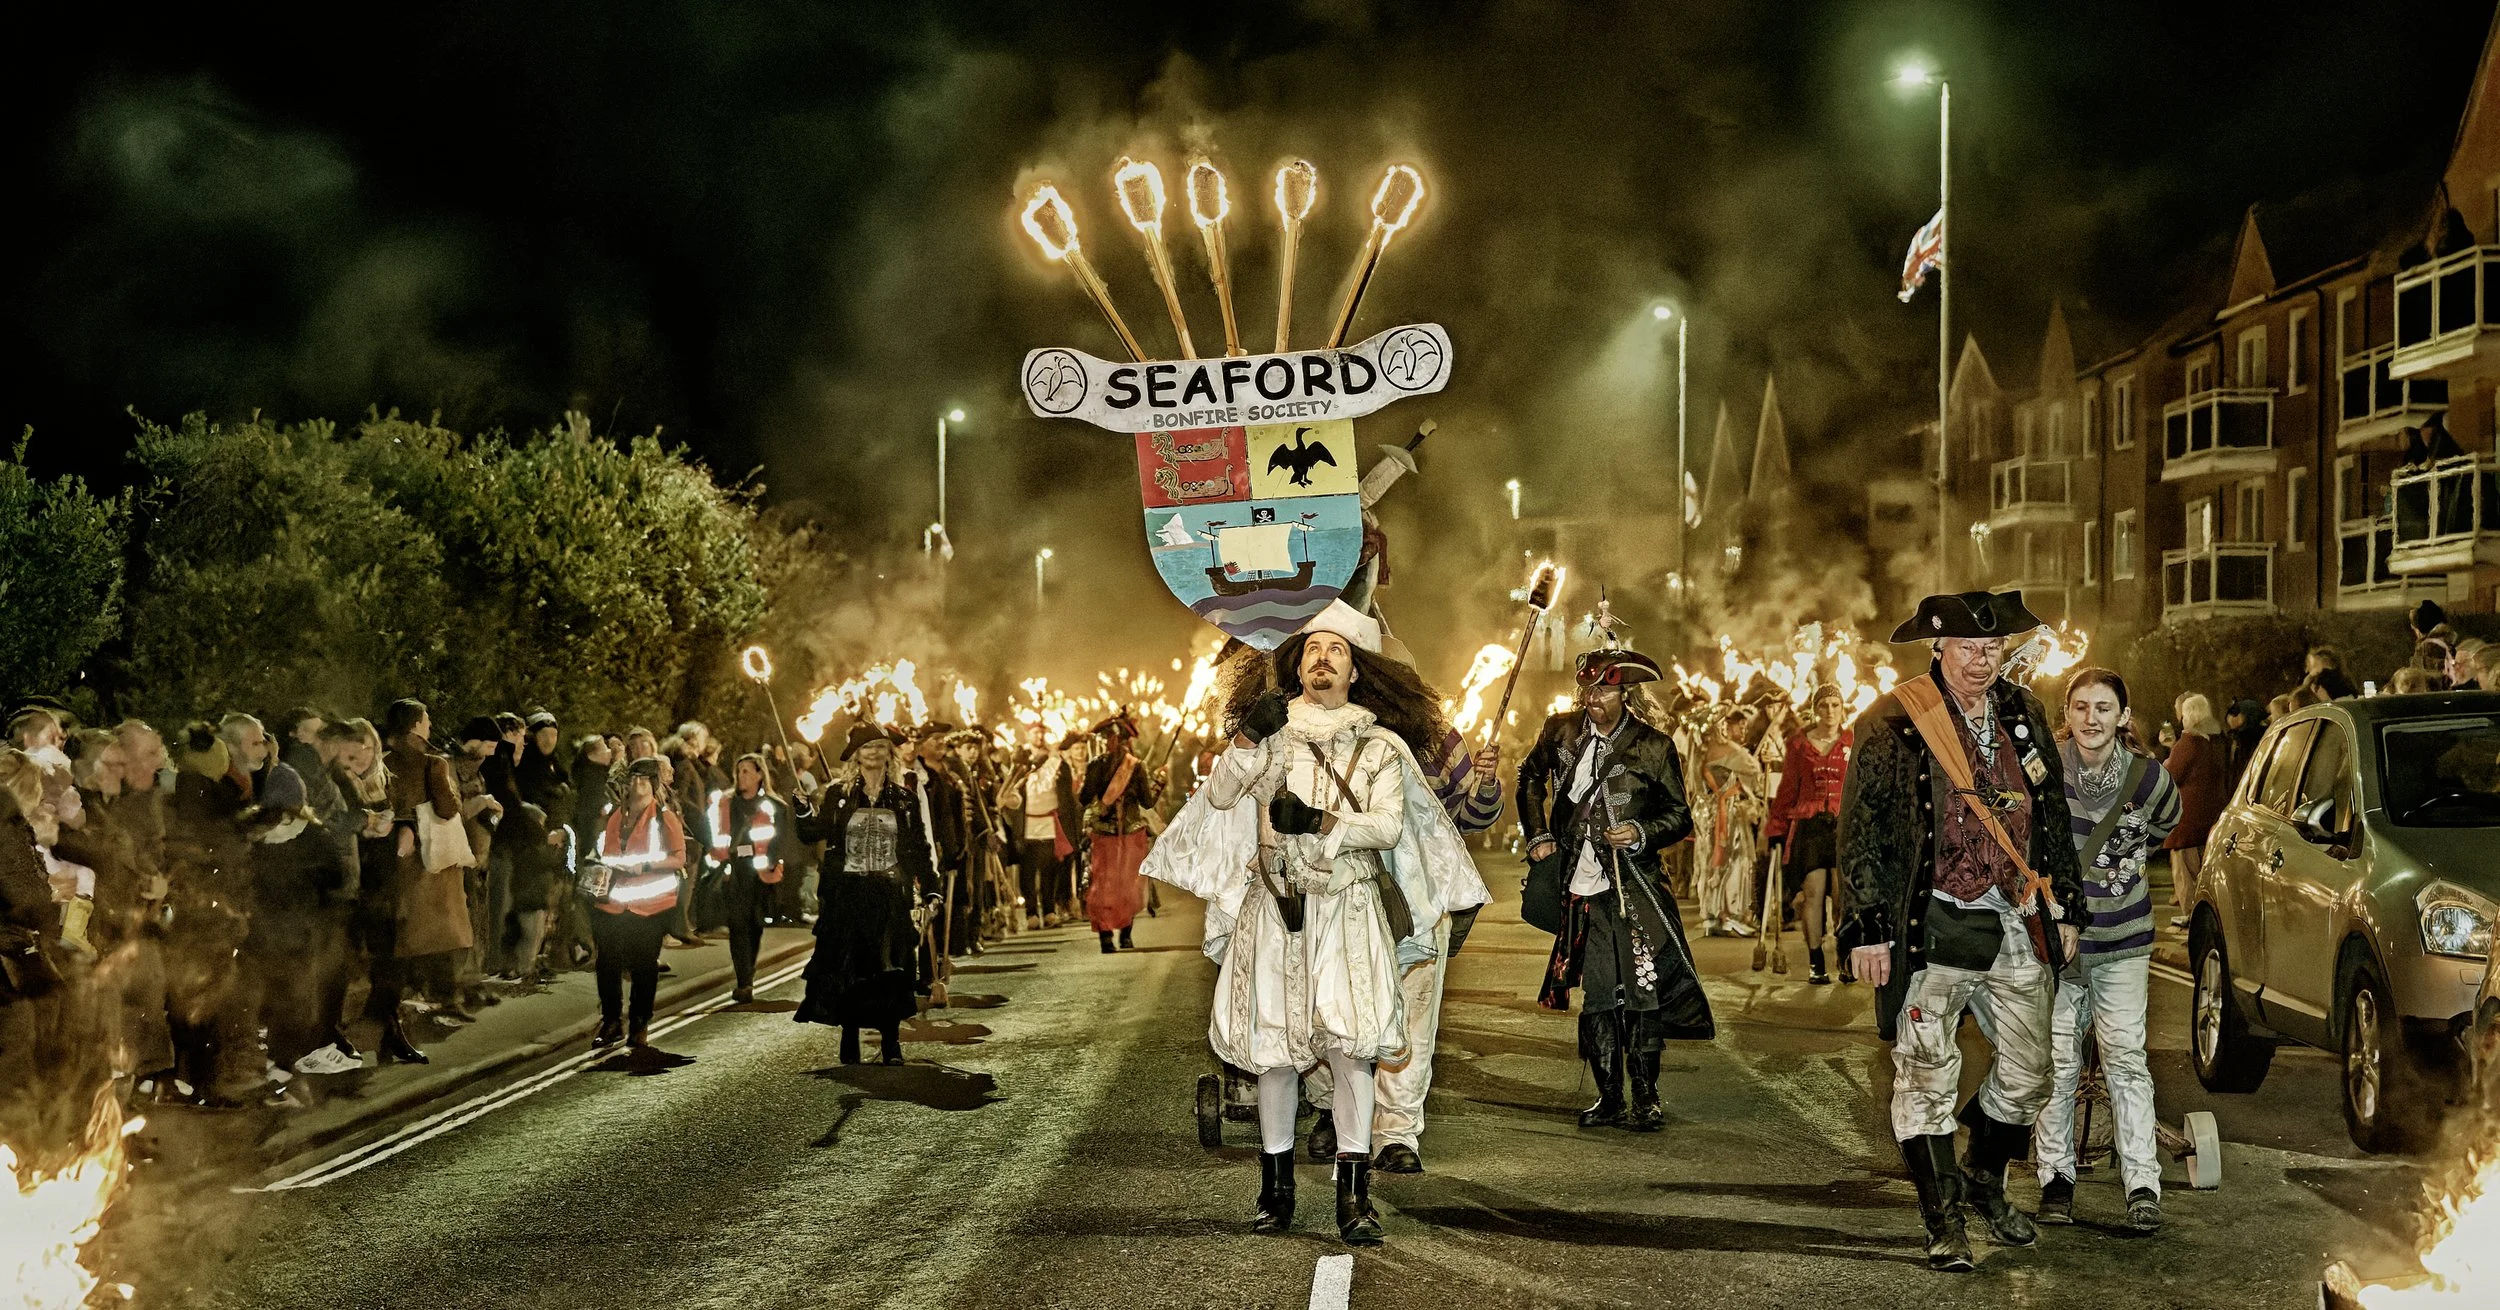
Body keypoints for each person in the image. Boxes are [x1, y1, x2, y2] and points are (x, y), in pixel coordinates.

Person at [1144, 603, 1474, 1247]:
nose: (1323, 657)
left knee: (1351, 1050)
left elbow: (1389, 826)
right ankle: (1276, 1192)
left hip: (1348, 913)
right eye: (1312, 647)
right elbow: (1218, 796)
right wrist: (1245, 739)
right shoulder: (1270, 735)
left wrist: (1320, 823)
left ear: (1356, 670)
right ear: (1297, 663)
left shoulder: (1381, 746)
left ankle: (1354, 1198)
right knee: (1274, 1051)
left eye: (1337, 649)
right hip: (1276, 911)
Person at [1840, 590, 2086, 1273]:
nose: (1983, 662)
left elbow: (2050, 813)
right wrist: (1865, 929)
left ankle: (1982, 1177)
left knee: (2034, 1072)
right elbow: (1860, 829)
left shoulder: (2023, 711)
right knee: (1924, 1075)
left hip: (2012, 916)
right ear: (1938, 649)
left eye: (1994, 649)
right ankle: (1942, 1217)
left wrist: (2064, 903)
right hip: (1932, 919)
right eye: (1971, 649)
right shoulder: (1894, 719)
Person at [1519, 645, 1713, 1134]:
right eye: (1588, 688)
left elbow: (1680, 816)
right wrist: (1539, 834)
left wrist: (1640, 832)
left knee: (1644, 990)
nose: (1593, 698)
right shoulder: (1559, 730)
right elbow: (1529, 779)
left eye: (1603, 689)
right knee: (1601, 995)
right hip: (1581, 887)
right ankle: (1609, 1097)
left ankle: (1646, 1097)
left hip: (1637, 887)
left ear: (1624, 691)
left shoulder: (1654, 745)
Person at [2033, 668, 2182, 1233]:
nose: (2090, 719)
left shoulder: (2148, 779)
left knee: (2125, 1060)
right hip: (2061, 945)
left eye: (2103, 708)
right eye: (2079, 708)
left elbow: (2169, 824)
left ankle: (2142, 1184)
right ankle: (2055, 1179)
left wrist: (2124, 864)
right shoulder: (2043, 770)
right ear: (2066, 715)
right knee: (2059, 1062)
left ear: (2122, 717)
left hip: (2123, 942)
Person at [795, 725, 934, 1065]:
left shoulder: (903, 799)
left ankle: (891, 1042)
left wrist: (930, 888)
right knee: (851, 971)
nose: (872, 752)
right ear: (855, 755)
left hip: (888, 895)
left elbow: (918, 848)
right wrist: (801, 809)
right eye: (865, 747)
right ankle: (849, 1035)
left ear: (889, 753)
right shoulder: (837, 796)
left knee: (890, 970)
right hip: (849, 896)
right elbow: (815, 832)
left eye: (878, 746)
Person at [590, 757, 686, 1049]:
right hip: (614, 902)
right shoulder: (616, 815)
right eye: (633, 778)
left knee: (643, 967)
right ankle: (611, 1021)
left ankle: (639, 1022)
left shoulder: (664, 817)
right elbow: (605, 852)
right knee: (607, 964)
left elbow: (679, 858)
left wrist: (643, 867)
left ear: (654, 785)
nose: (638, 784)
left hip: (650, 904)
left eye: (645, 779)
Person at [1766, 684, 1852, 984]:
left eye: (1835, 704)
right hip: (1810, 826)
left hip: (1844, 825)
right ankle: (1816, 962)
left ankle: (1845, 956)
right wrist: (1776, 827)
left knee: (1843, 897)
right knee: (1813, 893)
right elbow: (1788, 788)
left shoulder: (1853, 740)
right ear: (1815, 708)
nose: (1830, 710)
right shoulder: (1799, 744)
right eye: (1824, 705)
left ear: (1842, 708)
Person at [708, 753, 791, 1003]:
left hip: (760, 874)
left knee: (754, 926)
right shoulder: (725, 803)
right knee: (737, 925)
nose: (741, 775)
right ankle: (744, 981)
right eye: (739, 770)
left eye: (746, 771)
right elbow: (714, 832)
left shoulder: (774, 806)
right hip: (734, 871)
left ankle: (749, 971)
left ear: (759, 774)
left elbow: (780, 840)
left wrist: (773, 862)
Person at [1078, 712, 1159, 954]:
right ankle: (1125, 937)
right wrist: (1159, 783)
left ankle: (1105, 938)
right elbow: (1148, 802)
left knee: (1103, 885)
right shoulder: (1137, 766)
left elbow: (1083, 798)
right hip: (1130, 834)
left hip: (1104, 832)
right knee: (1128, 885)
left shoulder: (1095, 765)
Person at [1692, 705, 1765, 937]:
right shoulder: (1724, 749)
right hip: (1725, 811)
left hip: (1706, 811)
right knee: (1734, 859)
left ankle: (1714, 913)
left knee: (1711, 861)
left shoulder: (1699, 752)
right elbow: (1753, 769)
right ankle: (1730, 914)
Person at [2161, 694, 2226, 929]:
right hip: (2209, 814)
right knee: (2203, 867)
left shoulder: (2188, 742)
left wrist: (2167, 759)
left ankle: (2190, 913)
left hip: (2186, 816)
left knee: (2184, 870)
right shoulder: (2214, 741)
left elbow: (2173, 774)